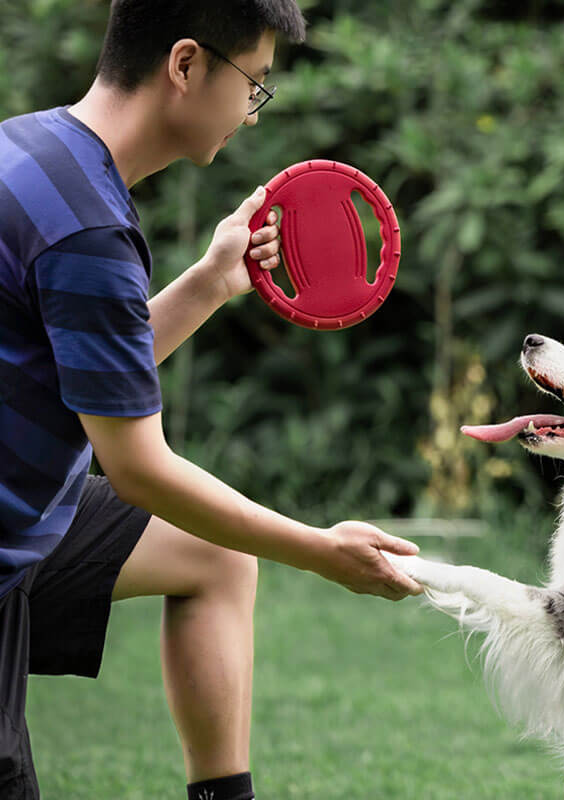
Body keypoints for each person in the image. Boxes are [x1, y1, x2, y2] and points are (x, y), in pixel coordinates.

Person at [0, 1, 423, 798]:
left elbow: (80, 374)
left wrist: (208, 283)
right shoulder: (88, 229)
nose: (252, 114)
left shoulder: (32, 147)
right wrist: (319, 552)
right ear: (186, 65)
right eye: (253, 84)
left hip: (25, 527)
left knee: (212, 553)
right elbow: (140, 471)